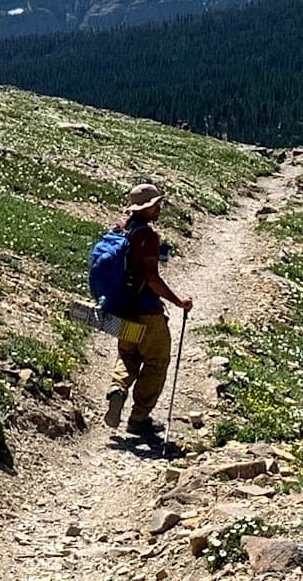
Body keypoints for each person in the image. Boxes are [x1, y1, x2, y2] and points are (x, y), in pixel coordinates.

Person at [104, 182, 193, 435]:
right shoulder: (147, 237)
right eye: (156, 205)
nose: (159, 209)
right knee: (156, 362)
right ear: (146, 208)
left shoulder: (122, 229)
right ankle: (139, 418)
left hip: (125, 308)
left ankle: (117, 389)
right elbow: (152, 278)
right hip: (148, 314)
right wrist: (178, 302)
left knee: (128, 356)